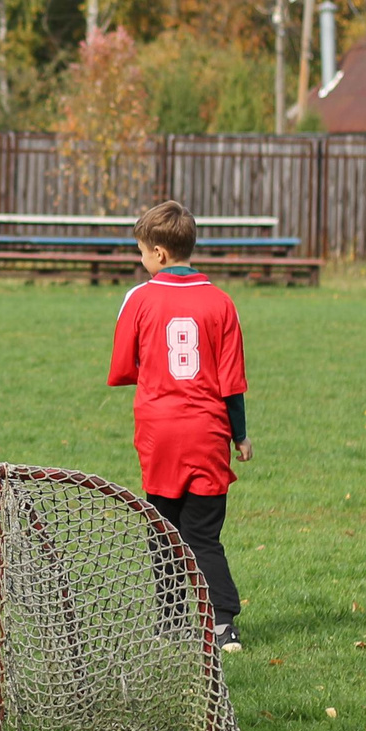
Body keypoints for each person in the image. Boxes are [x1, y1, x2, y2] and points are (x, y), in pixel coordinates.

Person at [108, 198, 252, 653]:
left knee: (163, 529)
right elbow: (232, 379)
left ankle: (170, 622)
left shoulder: (140, 297)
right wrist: (241, 434)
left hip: (159, 433)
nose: (141, 260)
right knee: (204, 535)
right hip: (208, 433)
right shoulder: (222, 302)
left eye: (142, 252)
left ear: (159, 254)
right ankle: (224, 624)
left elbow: (123, 364)